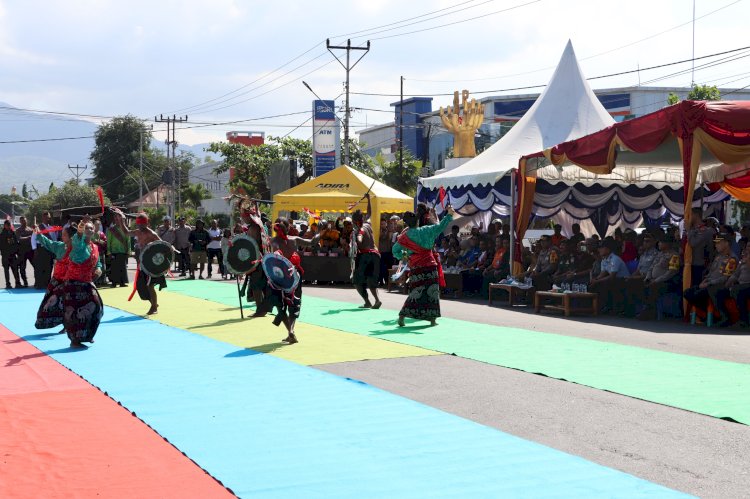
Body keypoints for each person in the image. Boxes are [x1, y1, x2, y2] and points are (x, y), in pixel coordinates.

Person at [392, 203, 455, 327]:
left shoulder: (404, 236)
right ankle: (432, 319)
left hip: (416, 266)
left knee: (416, 292)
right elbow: (441, 226)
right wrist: (449, 214)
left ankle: (402, 316)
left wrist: (405, 257)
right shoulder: (426, 230)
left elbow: (395, 250)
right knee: (432, 292)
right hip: (430, 265)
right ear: (417, 222)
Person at [63, 220, 104, 348]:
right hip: (73, 283)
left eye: (91, 229)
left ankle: (87, 335)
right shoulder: (78, 244)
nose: (89, 230)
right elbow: (77, 239)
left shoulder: (95, 247)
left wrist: (99, 269)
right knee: (73, 313)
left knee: (97, 308)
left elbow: (98, 263)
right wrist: (80, 229)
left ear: (94, 231)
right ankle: (74, 340)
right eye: (87, 228)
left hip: (86, 282)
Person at [117, 212, 165, 315]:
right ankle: (154, 303)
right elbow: (126, 232)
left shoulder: (152, 234)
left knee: (150, 285)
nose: (140, 226)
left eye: (142, 224)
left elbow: (163, 246)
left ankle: (154, 307)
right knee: (141, 286)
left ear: (146, 224)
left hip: (151, 264)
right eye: (139, 224)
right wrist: (121, 220)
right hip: (143, 263)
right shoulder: (138, 232)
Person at [684, 234, 737, 324]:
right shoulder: (718, 257)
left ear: (726, 243)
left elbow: (726, 277)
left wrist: (709, 283)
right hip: (709, 284)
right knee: (688, 293)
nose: (716, 245)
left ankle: (723, 316)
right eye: (715, 243)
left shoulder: (732, 259)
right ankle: (707, 313)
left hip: (721, 286)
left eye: (719, 243)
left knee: (709, 291)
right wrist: (705, 280)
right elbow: (711, 272)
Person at [34, 225, 76, 331]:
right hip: (56, 280)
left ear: (71, 237)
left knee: (68, 304)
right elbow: (48, 243)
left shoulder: (77, 250)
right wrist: (38, 234)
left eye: (64, 235)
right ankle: (61, 323)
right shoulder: (59, 246)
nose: (62, 237)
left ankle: (68, 325)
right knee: (49, 303)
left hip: (68, 282)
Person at [636, 235, 682, 320]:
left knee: (653, 288)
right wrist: (648, 278)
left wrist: (656, 280)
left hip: (667, 282)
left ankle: (650, 311)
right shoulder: (659, 254)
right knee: (639, 285)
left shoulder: (674, 256)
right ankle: (644, 308)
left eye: (661, 243)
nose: (659, 244)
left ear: (667, 244)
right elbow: (651, 267)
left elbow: (671, 272)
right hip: (653, 279)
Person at [352, 193, 382, 309]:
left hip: (365, 256)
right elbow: (370, 212)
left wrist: (357, 241)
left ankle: (367, 301)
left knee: (357, 281)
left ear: (355, 221)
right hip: (375, 255)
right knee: (371, 280)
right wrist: (368, 199)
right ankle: (377, 300)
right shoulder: (367, 223)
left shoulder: (359, 230)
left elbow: (360, 237)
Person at [622, 232, 659, 316]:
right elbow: (638, 270)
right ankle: (629, 309)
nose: (645, 243)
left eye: (648, 241)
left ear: (654, 242)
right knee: (624, 282)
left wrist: (633, 278)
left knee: (634, 284)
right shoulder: (643, 255)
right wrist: (631, 277)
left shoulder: (656, 254)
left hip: (648, 278)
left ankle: (646, 308)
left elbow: (651, 271)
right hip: (640, 276)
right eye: (644, 241)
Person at [590, 238, 630, 313]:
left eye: (601, 248)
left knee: (605, 283)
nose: (599, 250)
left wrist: (597, 281)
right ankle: (596, 306)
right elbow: (603, 273)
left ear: (608, 250)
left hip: (623, 280)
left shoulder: (615, 259)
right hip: (614, 280)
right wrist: (595, 280)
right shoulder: (604, 259)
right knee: (594, 284)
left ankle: (611, 307)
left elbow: (612, 276)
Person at [715, 248, 750, 326]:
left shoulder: (746, 261)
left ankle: (743, 320)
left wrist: (748, 261)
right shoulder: (742, 262)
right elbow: (735, 275)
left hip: (747, 285)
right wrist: (727, 284)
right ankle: (726, 317)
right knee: (720, 293)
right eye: (747, 246)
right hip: (740, 285)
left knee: (738, 291)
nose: (747, 248)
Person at [687, 210, 717, 286]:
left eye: (690, 214)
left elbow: (693, 243)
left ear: (696, 215)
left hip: (699, 264)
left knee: (695, 286)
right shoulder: (693, 229)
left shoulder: (705, 230)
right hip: (689, 262)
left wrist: (688, 230)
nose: (688, 217)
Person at [33, 211, 57, 289]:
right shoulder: (38, 227)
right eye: (45, 217)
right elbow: (33, 238)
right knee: (40, 267)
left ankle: (47, 283)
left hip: (49, 249)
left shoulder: (51, 228)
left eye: (48, 217)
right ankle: (39, 284)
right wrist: (35, 249)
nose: (47, 218)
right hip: (40, 249)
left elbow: (54, 239)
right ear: (42, 218)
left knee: (49, 267)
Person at [107, 212, 130, 287]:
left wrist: (128, 251)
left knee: (122, 267)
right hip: (114, 251)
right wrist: (109, 252)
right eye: (116, 219)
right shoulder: (111, 229)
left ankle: (122, 282)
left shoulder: (125, 229)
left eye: (118, 218)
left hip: (123, 251)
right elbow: (108, 241)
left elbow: (128, 241)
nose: (117, 220)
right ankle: (114, 282)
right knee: (114, 268)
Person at [0, 220, 21, 289]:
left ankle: (18, 283)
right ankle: (8, 284)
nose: (9, 226)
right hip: (5, 255)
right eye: (7, 225)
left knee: (15, 270)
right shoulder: (2, 234)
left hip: (13, 255)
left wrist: (17, 252)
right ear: (4, 226)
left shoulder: (13, 233)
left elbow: (16, 244)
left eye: (9, 225)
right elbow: (1, 246)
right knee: (6, 270)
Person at [15, 216, 33, 288]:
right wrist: (28, 237)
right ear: (20, 222)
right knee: (22, 268)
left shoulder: (30, 229)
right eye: (22, 221)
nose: (23, 222)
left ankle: (38, 281)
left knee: (36, 265)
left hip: (30, 251)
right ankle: (25, 282)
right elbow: (19, 239)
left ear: (26, 221)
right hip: (22, 252)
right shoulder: (18, 230)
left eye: (24, 220)